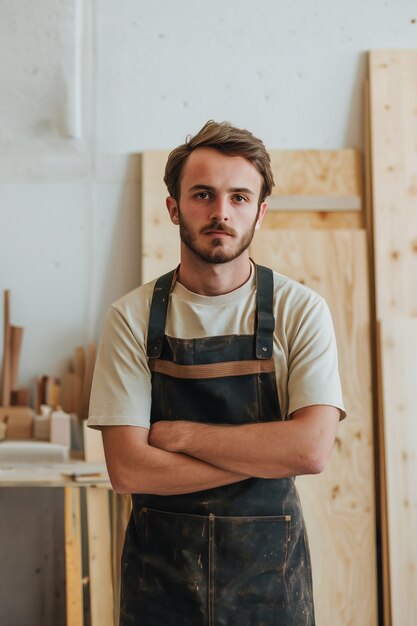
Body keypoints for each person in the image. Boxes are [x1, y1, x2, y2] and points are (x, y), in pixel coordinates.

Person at [88, 120, 346, 626]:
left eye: (240, 197)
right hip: (160, 588)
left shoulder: (301, 311)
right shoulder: (131, 317)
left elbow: (310, 450)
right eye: (203, 194)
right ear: (173, 207)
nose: (221, 212)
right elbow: (129, 470)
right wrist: (265, 456)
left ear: (261, 211)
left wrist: (181, 435)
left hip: (270, 588)